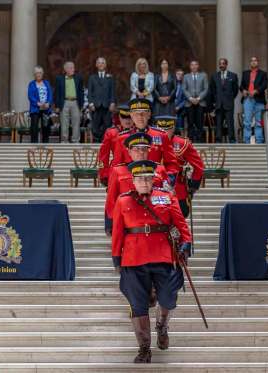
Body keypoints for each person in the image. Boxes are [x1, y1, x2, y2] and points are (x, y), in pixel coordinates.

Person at [111, 159, 192, 363]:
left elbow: (181, 224)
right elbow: (118, 231)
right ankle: (144, 347)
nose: (144, 183)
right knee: (138, 305)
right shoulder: (123, 201)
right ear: (133, 181)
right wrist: (116, 258)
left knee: (168, 298)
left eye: (148, 178)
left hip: (163, 256)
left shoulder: (166, 197)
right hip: (133, 258)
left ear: (154, 179)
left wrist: (186, 243)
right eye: (140, 179)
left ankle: (162, 326)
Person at [104, 132, 170, 235]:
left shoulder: (160, 169)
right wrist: (112, 225)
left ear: (149, 150)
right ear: (129, 151)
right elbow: (111, 201)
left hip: (155, 225)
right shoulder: (118, 171)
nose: (141, 152)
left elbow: (168, 198)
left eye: (144, 149)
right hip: (129, 226)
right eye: (136, 149)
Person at [111, 98, 179, 178]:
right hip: (130, 182)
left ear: (149, 114)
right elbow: (117, 165)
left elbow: (171, 163)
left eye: (143, 113)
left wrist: (168, 180)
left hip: (155, 181)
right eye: (136, 114)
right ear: (131, 115)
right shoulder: (122, 138)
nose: (140, 117)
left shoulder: (161, 135)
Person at [153, 116, 204, 217]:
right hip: (154, 186)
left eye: (167, 129)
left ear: (173, 128)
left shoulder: (182, 143)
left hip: (177, 188)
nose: (164, 132)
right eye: (161, 129)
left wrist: (193, 185)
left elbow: (198, 166)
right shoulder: (150, 141)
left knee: (178, 219)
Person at [98, 104, 133, 186]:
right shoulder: (111, 133)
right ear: (118, 118)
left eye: (130, 117)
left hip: (135, 170)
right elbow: (103, 155)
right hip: (117, 169)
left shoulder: (139, 133)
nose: (127, 120)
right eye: (124, 117)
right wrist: (104, 173)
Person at [240, 56, 268, 144]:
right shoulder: (245, 73)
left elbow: (264, 85)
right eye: (252, 61)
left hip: (259, 100)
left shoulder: (263, 74)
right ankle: (246, 141)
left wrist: (256, 91)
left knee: (259, 122)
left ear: (258, 62)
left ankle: (259, 141)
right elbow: (241, 85)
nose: (253, 62)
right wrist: (243, 90)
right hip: (248, 99)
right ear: (250, 63)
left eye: (255, 60)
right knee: (247, 122)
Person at [210, 58, 239, 143]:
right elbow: (212, 90)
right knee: (218, 123)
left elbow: (235, 90)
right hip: (219, 104)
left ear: (226, 65)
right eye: (220, 64)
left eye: (223, 64)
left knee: (230, 122)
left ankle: (232, 139)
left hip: (229, 103)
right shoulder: (214, 76)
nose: (221, 65)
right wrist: (216, 100)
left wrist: (230, 98)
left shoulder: (233, 75)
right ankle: (218, 139)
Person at [88, 57, 116, 142]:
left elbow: (112, 91)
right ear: (96, 65)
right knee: (95, 125)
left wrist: (112, 102)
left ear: (105, 65)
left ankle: (105, 141)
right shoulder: (92, 77)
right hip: (96, 105)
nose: (101, 64)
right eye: (99, 63)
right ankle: (97, 143)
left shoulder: (110, 77)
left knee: (107, 124)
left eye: (103, 63)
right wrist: (91, 103)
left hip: (107, 105)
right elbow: (90, 92)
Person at [55, 61, 84, 143]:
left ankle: (75, 140)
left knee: (76, 122)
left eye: (73, 67)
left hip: (75, 102)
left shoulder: (79, 78)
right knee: (64, 123)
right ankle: (64, 141)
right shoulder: (59, 78)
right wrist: (57, 105)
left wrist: (81, 105)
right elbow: (56, 93)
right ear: (65, 69)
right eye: (71, 68)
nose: (73, 69)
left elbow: (81, 92)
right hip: (64, 102)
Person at [183, 60, 208, 142]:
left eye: (195, 65)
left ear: (198, 66)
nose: (194, 66)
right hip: (189, 103)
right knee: (190, 123)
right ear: (190, 67)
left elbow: (206, 89)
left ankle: (200, 141)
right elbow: (184, 89)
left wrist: (198, 99)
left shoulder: (203, 75)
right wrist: (190, 98)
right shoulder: (186, 76)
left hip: (200, 103)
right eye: (192, 65)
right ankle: (190, 141)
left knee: (199, 123)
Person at [27, 65, 53, 143]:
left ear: (42, 74)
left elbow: (50, 94)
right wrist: (38, 103)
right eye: (37, 73)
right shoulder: (31, 84)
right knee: (34, 128)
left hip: (46, 109)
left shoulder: (46, 83)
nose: (38, 74)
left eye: (40, 73)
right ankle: (34, 145)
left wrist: (48, 103)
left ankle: (45, 144)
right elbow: (30, 96)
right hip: (35, 109)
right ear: (34, 74)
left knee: (46, 127)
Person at [174, 68, 186, 134]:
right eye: (178, 74)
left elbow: (185, 99)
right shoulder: (172, 84)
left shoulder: (184, 86)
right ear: (175, 75)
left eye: (182, 74)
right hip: (171, 107)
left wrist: (178, 107)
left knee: (181, 116)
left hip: (180, 109)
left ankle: (180, 135)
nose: (180, 76)